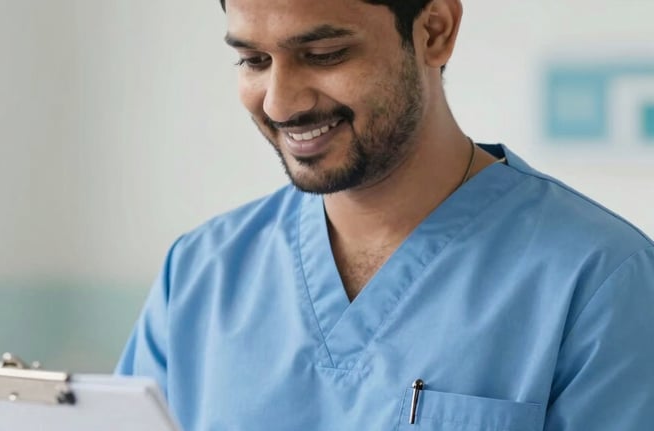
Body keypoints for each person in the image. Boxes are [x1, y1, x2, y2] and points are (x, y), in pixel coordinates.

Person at [116, 0, 654, 429]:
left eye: (325, 53)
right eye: (255, 61)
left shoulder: (602, 280)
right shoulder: (198, 274)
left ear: (434, 32)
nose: (280, 103)